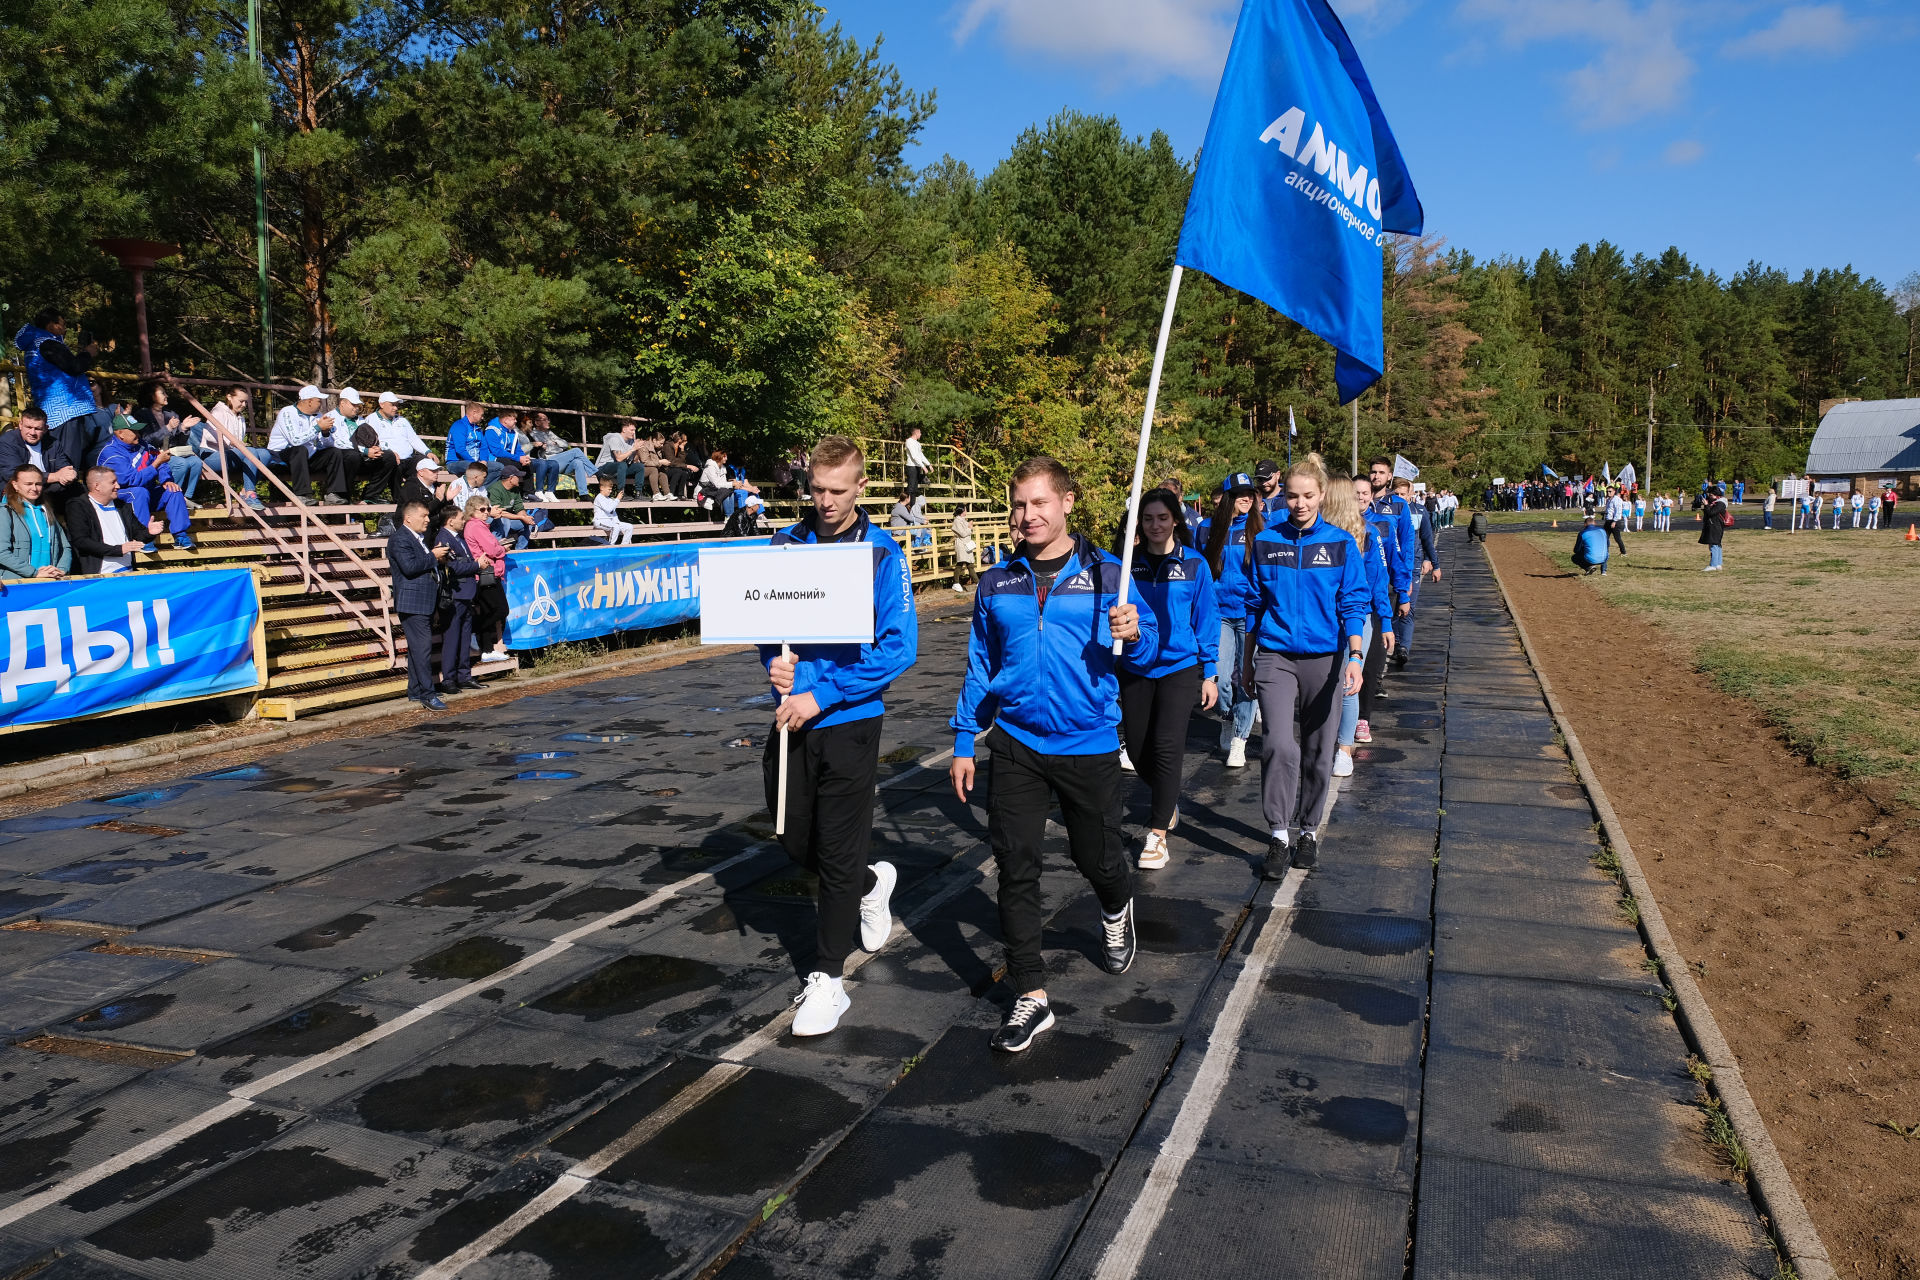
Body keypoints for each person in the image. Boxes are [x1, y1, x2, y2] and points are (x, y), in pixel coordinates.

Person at [950, 456, 1154, 1053]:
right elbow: (981, 666)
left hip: (1087, 743)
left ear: (1068, 503)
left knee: (1097, 857)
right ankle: (1031, 994)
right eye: (1018, 504)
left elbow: (1146, 658)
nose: (1026, 516)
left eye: (1039, 503)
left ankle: (1116, 906)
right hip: (1015, 742)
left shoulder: (1109, 574)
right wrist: (966, 738)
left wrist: (1134, 633)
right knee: (1015, 863)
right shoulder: (997, 581)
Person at [762, 435, 919, 1038]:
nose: (824, 501)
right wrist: (774, 671)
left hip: (850, 721)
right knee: (792, 838)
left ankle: (829, 978)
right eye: (816, 490)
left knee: (834, 847)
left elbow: (900, 646)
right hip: (789, 716)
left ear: (860, 488)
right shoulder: (786, 544)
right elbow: (765, 624)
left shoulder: (881, 553)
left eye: (837, 490)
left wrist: (821, 694)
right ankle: (871, 879)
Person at [1242, 454, 1369, 880]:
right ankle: (1279, 835)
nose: (1299, 504)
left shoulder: (1339, 544)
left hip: (1326, 658)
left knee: (1319, 750)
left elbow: (1353, 602)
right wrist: (1246, 660)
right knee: (1279, 743)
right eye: (1292, 496)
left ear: (1321, 496)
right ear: (1283, 495)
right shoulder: (1265, 542)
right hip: (1276, 657)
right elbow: (1254, 605)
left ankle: (1308, 831)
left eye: (1308, 496)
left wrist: (1355, 657)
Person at [1115, 488, 1219, 870]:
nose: (1155, 525)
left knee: (1168, 746)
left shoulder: (1195, 565)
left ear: (1176, 519)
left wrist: (1209, 672)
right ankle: (1166, 799)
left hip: (1179, 666)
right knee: (1139, 751)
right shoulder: (1126, 565)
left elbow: (1206, 619)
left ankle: (1157, 833)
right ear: (1138, 524)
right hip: (1136, 668)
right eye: (1147, 519)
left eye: (1162, 517)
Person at [1329, 476, 1392, 777]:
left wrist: (1387, 621)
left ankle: (1344, 747)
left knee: (1349, 682)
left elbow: (1380, 582)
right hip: (1326, 618)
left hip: (1360, 616)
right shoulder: (1320, 533)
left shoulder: (1371, 534)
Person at [1200, 473, 1261, 768]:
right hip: (1220, 613)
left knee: (1247, 678)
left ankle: (1240, 739)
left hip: (1251, 614)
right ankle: (1226, 718)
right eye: (1239, 494)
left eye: (1249, 493)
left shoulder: (1262, 528)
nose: (1246, 498)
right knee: (1223, 680)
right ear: (1227, 499)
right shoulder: (1207, 529)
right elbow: (1199, 571)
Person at [13, 309, 115, 478]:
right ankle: (65, 496)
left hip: (55, 410)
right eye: (63, 324)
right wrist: (87, 353)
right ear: (52, 325)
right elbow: (74, 367)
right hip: (65, 409)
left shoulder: (36, 344)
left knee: (62, 456)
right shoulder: (46, 342)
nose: (65, 328)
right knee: (66, 460)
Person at [98, 416, 195, 549]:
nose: (138, 434)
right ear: (120, 433)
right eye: (134, 431)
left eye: (138, 430)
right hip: (119, 498)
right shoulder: (111, 453)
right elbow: (132, 480)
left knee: (173, 490)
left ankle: (181, 535)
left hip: (145, 495)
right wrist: (156, 463)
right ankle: (143, 538)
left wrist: (166, 480)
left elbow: (161, 462)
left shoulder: (142, 444)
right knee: (139, 491)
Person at [389, 499, 449, 710]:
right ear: (408, 518)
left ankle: (415, 690)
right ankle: (428, 693)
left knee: (418, 649)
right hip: (412, 603)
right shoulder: (400, 539)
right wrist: (433, 556)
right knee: (422, 649)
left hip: (424, 601)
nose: (427, 520)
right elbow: (410, 567)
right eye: (423, 516)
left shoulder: (419, 538)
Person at [66, 466, 160, 575]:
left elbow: (138, 535)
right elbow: (82, 541)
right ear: (97, 486)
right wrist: (118, 550)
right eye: (113, 482)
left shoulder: (122, 506)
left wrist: (150, 532)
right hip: (97, 575)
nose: (118, 486)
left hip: (128, 572)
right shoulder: (78, 506)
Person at [130, 379, 206, 506]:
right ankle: (171, 496)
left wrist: (183, 428)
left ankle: (185, 497)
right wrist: (168, 428)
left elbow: (178, 441)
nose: (167, 396)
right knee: (181, 464)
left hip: (172, 451)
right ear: (151, 396)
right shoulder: (142, 415)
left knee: (196, 462)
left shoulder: (171, 414)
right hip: (154, 454)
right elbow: (147, 440)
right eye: (162, 393)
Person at [268, 385, 349, 503]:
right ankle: (302, 495)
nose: (321, 404)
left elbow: (325, 445)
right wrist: (317, 428)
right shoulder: (287, 412)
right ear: (309, 401)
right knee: (300, 450)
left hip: (306, 458)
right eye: (318, 401)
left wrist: (325, 433)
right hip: (280, 456)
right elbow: (295, 441)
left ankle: (334, 494)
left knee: (334, 452)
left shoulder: (319, 416)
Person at [1390, 475, 1439, 668]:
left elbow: (1427, 538)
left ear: (1410, 495)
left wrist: (1433, 562)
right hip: (1392, 565)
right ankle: (1393, 642)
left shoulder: (1419, 512)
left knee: (1408, 608)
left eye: (1404, 494)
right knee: (1392, 609)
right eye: (1397, 494)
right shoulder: (1385, 512)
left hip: (1413, 565)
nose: (1401, 498)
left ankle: (1404, 648)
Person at [435, 503, 483, 693]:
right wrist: (477, 565)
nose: (464, 521)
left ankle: (464, 675)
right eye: (461, 518)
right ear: (450, 520)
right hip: (455, 595)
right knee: (452, 638)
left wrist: (475, 564)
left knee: (464, 637)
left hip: (466, 594)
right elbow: (453, 568)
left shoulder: (459, 538)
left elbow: (465, 562)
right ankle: (449, 679)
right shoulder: (443, 538)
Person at [201, 387, 271, 511]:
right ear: (229, 397)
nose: (244, 405)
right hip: (212, 456)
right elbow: (208, 435)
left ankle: (245, 491)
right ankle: (250, 493)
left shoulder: (240, 417)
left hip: (230, 455)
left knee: (265, 454)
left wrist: (237, 445)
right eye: (241, 401)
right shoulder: (218, 412)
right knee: (250, 451)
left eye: (246, 402)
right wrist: (233, 442)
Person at [460, 495, 511, 665]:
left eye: (488, 509)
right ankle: (476, 632)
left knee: (490, 610)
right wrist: (502, 548)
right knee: (501, 609)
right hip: (486, 573)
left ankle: (487, 650)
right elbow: (492, 549)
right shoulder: (476, 526)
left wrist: (497, 547)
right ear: (472, 511)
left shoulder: (476, 526)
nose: (486, 512)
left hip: (485, 572)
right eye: (482, 509)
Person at [0, 409, 81, 513]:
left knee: (77, 489)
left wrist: (71, 473)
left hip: (46, 486)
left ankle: (73, 527)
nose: (32, 433)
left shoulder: (53, 443)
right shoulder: (7, 442)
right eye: (28, 427)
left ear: (46, 428)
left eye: (38, 429)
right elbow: (12, 474)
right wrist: (55, 476)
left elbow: (64, 465)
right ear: (20, 425)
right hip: (18, 488)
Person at [0, 466, 71, 580]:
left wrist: (61, 570)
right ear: (15, 485)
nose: (34, 488)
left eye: (38, 484)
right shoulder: (5, 512)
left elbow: (65, 547)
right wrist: (34, 573)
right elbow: (1, 552)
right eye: (28, 484)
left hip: (48, 581)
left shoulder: (47, 512)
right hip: (16, 585)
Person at [487, 463, 542, 549]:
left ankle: (521, 550)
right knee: (505, 521)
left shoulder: (515, 489)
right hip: (496, 520)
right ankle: (499, 548)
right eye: (518, 477)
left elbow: (519, 507)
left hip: (510, 519)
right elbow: (499, 513)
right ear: (511, 478)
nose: (521, 479)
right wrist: (521, 517)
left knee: (528, 523)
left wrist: (525, 517)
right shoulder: (495, 490)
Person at [595, 420, 644, 497]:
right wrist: (633, 449)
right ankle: (621, 493)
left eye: (634, 430)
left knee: (639, 466)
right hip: (603, 467)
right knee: (622, 464)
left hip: (620, 468)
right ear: (624, 429)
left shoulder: (631, 442)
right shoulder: (615, 439)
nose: (634, 432)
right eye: (631, 430)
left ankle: (639, 493)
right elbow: (619, 459)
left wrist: (637, 449)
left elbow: (634, 460)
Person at [445, 402, 487, 474]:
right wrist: (476, 464)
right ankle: (472, 484)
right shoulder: (459, 426)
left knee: (498, 467)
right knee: (475, 469)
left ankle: (483, 485)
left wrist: (484, 460)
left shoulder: (478, 429)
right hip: (455, 462)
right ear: (474, 413)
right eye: (481, 415)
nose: (482, 418)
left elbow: (484, 447)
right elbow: (460, 450)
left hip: (475, 463)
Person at [592, 476, 632, 545]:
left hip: (610, 522)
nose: (610, 491)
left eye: (611, 489)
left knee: (629, 527)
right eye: (609, 489)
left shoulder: (609, 499)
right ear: (602, 488)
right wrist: (617, 499)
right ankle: (610, 546)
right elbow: (608, 509)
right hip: (600, 521)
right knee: (615, 527)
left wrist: (617, 522)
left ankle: (624, 546)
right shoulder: (599, 498)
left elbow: (613, 512)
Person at [1701, 483, 1729, 571]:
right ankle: (1718, 564)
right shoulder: (1716, 502)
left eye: (1711, 495)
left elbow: (1711, 513)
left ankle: (1713, 565)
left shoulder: (1720, 503)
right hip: (1714, 525)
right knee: (1716, 544)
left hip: (1715, 525)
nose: (1709, 496)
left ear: (1717, 495)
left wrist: (1706, 505)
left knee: (1714, 544)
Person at [951, 507, 977, 592]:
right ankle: (956, 583)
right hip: (961, 544)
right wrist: (969, 527)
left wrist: (969, 525)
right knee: (960, 563)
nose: (966, 511)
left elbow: (967, 530)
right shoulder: (957, 521)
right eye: (965, 510)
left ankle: (977, 582)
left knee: (970, 564)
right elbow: (962, 533)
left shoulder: (963, 520)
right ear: (962, 511)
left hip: (966, 544)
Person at [904, 426, 932, 503]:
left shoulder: (918, 444)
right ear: (916, 433)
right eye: (920, 432)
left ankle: (912, 507)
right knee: (911, 488)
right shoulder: (909, 441)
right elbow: (914, 456)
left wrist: (928, 464)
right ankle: (905, 505)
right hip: (911, 467)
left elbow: (921, 455)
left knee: (915, 489)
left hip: (917, 467)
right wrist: (923, 467)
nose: (921, 434)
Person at [1603, 485, 1629, 556]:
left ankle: (1623, 552)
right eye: (1607, 491)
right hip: (1608, 520)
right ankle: (1605, 552)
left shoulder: (1617, 500)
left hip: (1615, 521)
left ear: (1614, 492)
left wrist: (1614, 521)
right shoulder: (1608, 500)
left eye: (1610, 491)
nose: (1608, 493)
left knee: (1617, 538)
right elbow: (1609, 510)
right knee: (1605, 537)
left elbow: (1618, 511)